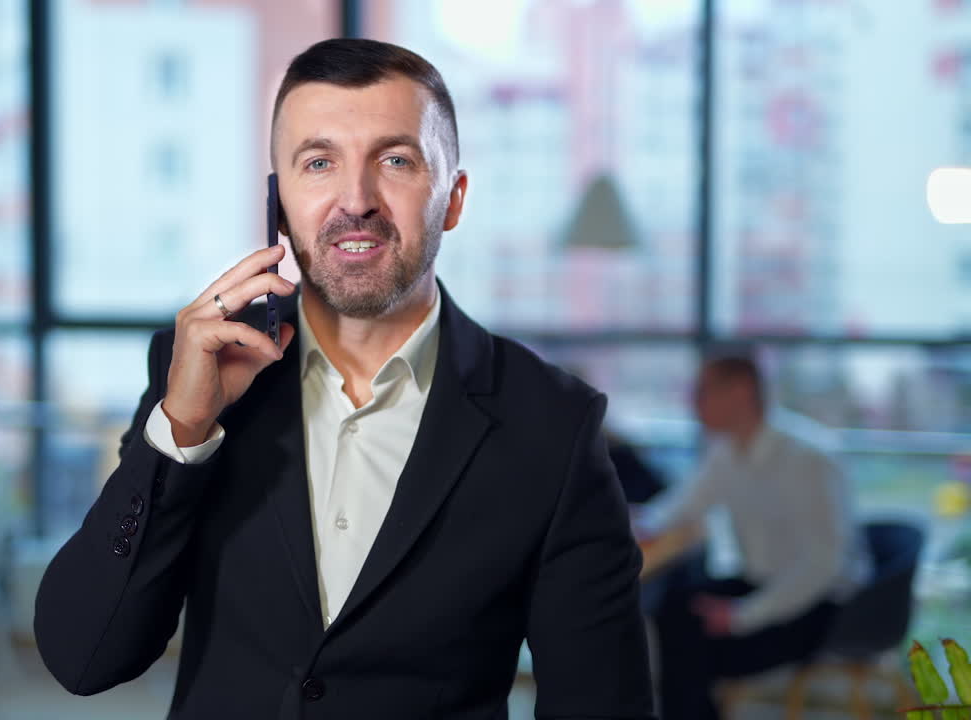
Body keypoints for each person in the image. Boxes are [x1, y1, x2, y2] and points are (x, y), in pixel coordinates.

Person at [35, 38, 653, 719]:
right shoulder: (196, 379)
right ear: (279, 200)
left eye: (395, 160)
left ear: (452, 198)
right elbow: (83, 656)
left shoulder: (553, 427)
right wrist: (180, 432)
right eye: (319, 162)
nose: (355, 199)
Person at [638, 352, 871, 720]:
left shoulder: (811, 458)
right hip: (760, 583)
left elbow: (824, 566)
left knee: (685, 644)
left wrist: (741, 616)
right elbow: (682, 504)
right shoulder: (728, 451)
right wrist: (641, 526)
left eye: (703, 391)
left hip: (818, 606)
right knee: (672, 605)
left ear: (742, 391)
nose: (693, 403)